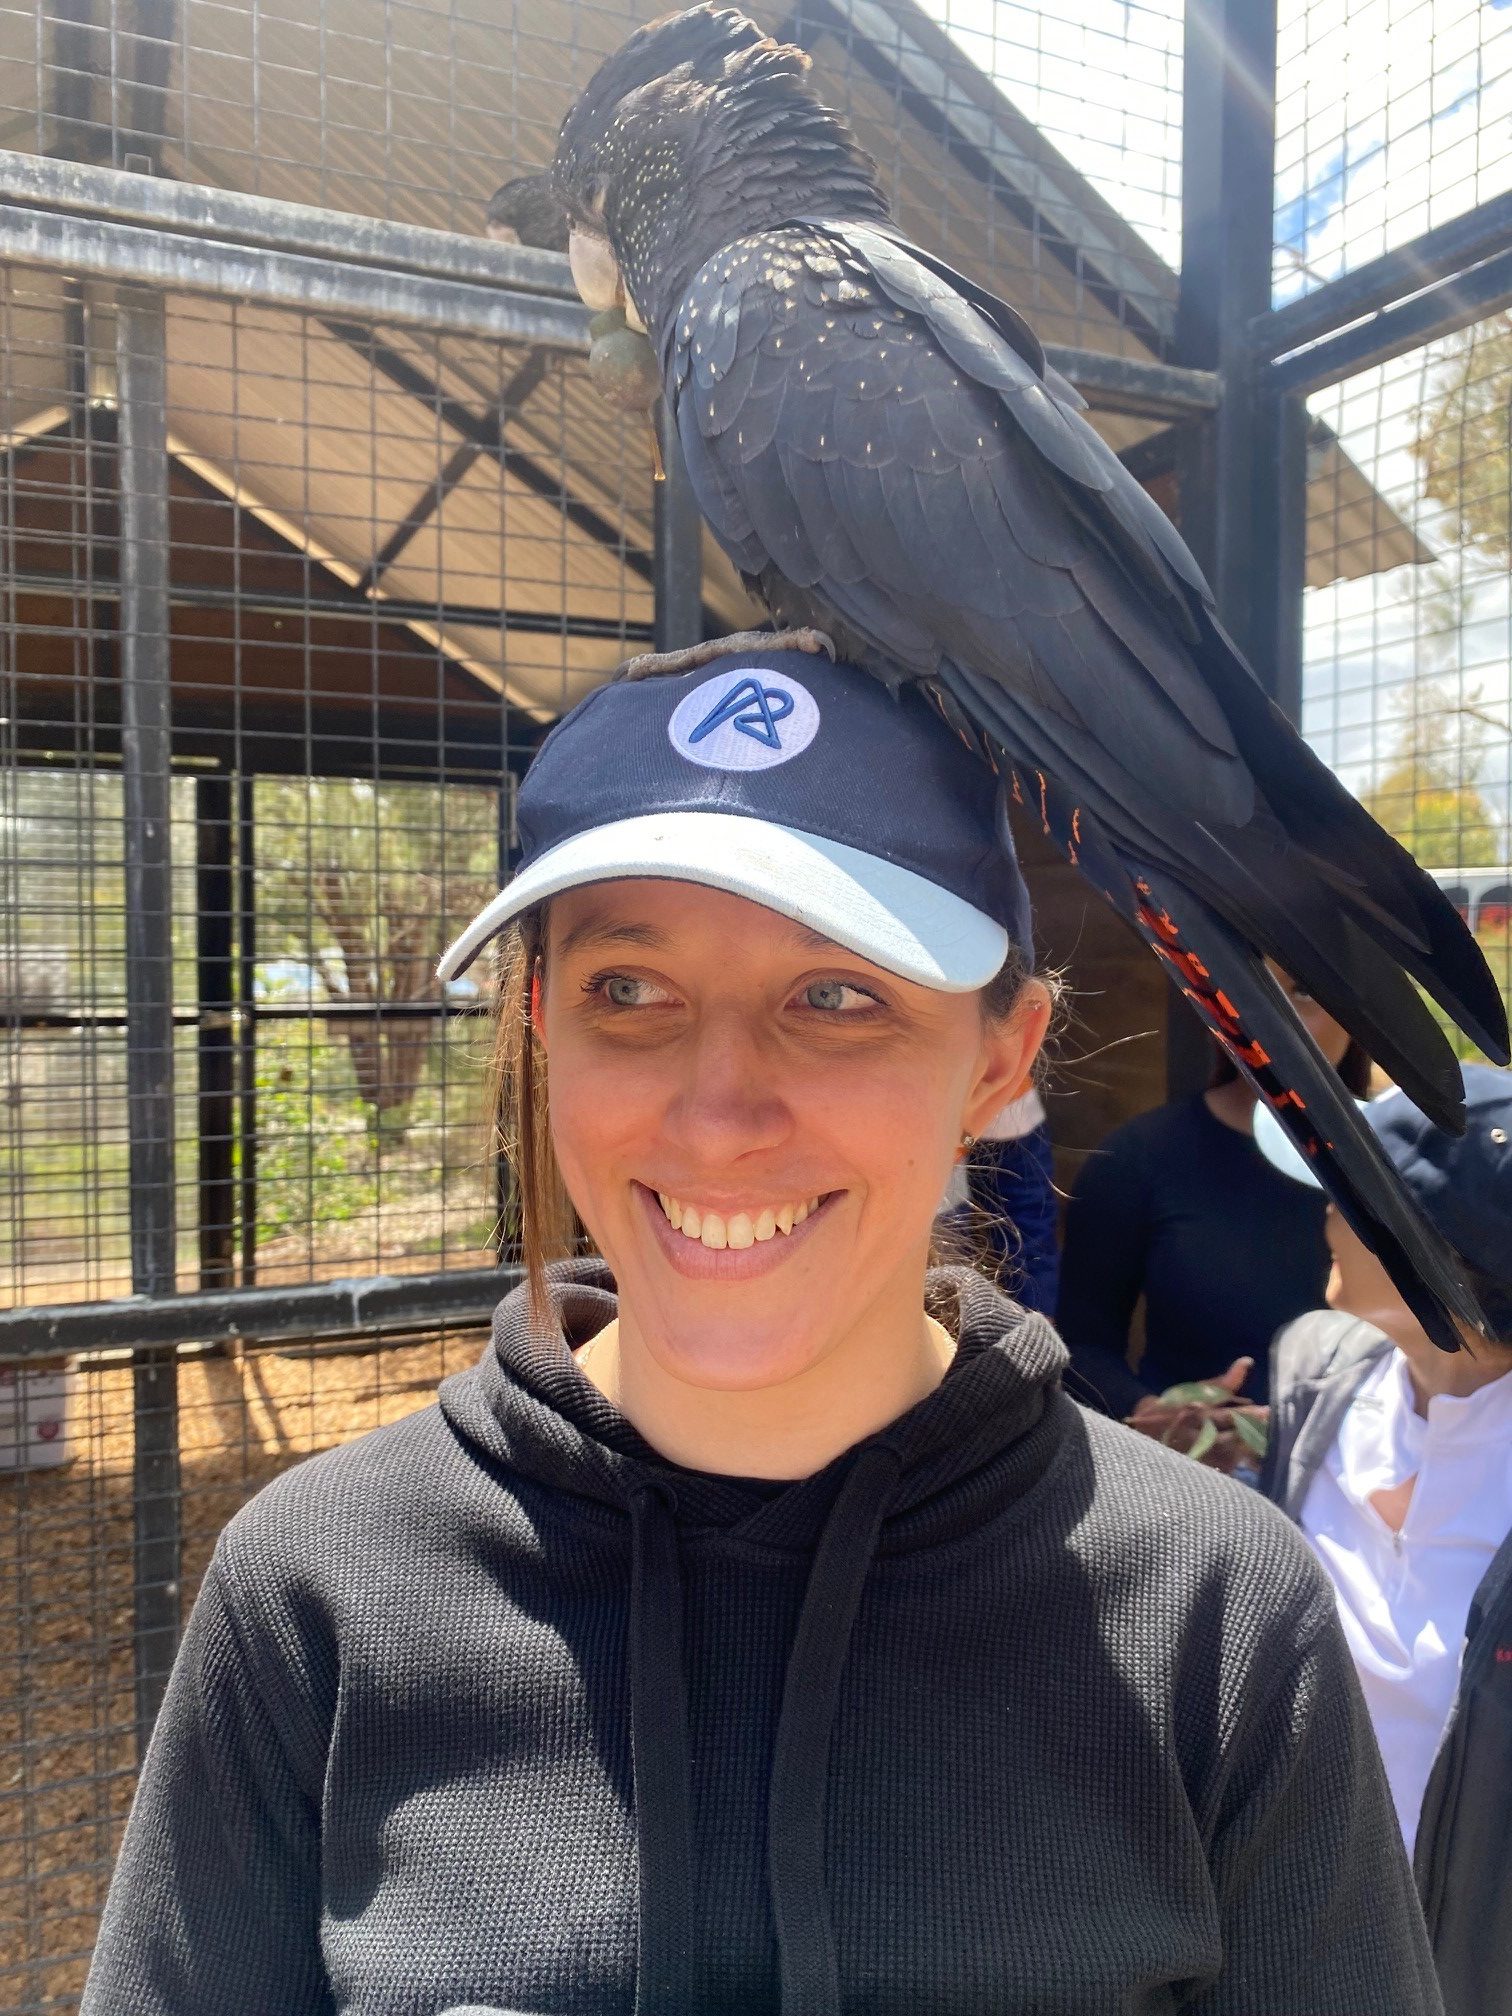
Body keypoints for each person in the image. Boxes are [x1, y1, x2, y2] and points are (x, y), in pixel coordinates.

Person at [84, 651, 1439, 2015]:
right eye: (630, 989)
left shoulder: (1217, 1615)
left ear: (1000, 1059)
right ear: (542, 1022)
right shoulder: (318, 1589)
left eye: (837, 997)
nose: (719, 1115)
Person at [1257, 1067, 1512, 2016]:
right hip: (1283, 1948)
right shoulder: (1315, 1369)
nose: (1324, 1211)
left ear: (1438, 1255)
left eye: (1350, 1192)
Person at [1056, 985, 1371, 1423]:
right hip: (1196, 1475)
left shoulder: (1402, 1165)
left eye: (1304, 992)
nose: (1277, 1017)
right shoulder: (1140, 1158)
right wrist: (1157, 1417)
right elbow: (1082, 1347)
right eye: (1254, 985)